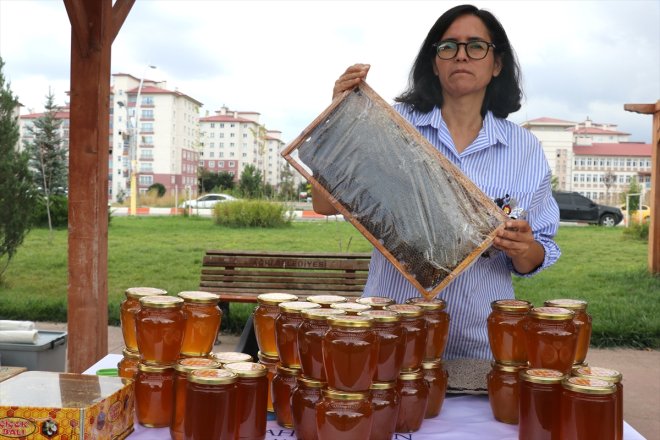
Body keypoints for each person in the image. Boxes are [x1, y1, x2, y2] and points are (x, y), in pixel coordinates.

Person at [312, 4, 560, 360]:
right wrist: (341, 118)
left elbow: (537, 253)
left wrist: (523, 248)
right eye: (448, 47)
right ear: (433, 62)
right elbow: (323, 204)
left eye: (476, 46)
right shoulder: (391, 125)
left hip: (480, 342)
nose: (461, 56)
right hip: (392, 334)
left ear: (497, 64)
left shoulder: (524, 149)